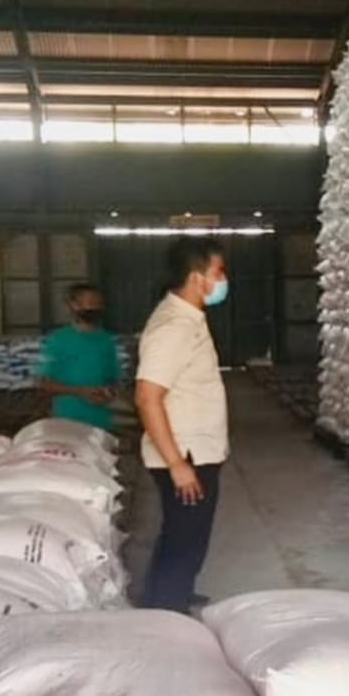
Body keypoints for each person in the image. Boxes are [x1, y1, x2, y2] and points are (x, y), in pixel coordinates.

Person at [131, 237, 230, 612]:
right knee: (185, 537)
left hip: (197, 449)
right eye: (218, 272)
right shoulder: (174, 326)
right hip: (184, 454)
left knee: (187, 532)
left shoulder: (189, 319)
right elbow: (147, 397)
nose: (223, 280)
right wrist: (176, 464)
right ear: (196, 276)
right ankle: (167, 610)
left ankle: (174, 590)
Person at [36, 283, 121, 431]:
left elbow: (112, 380)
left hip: (100, 423)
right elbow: (44, 384)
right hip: (67, 420)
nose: (95, 307)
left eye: (98, 303)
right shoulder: (58, 340)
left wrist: (107, 393)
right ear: (74, 305)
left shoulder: (106, 340)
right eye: (90, 302)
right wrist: (80, 391)